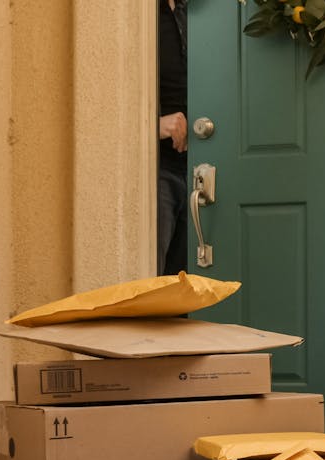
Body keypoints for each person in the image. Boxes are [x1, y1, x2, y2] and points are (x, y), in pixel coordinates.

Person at [157, 0, 188, 276]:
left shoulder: (198, 13)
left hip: (204, 168)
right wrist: (152, 126)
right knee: (155, 282)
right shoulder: (139, 16)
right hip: (158, 170)